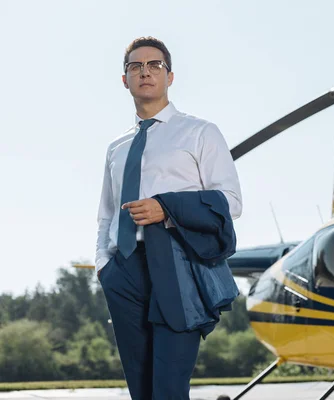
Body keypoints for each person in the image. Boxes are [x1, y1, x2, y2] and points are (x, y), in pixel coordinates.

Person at [95, 36, 242, 399]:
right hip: (124, 269)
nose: (145, 72)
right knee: (141, 391)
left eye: (154, 65)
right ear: (124, 79)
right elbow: (106, 215)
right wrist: (103, 265)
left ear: (170, 76)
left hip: (179, 267)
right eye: (135, 67)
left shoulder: (200, 132)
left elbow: (231, 202)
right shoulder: (117, 146)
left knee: (169, 390)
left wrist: (167, 208)